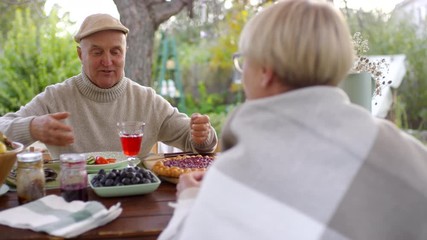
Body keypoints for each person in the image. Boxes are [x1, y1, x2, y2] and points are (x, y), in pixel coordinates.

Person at [159, 0, 427, 239]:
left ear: (265, 71)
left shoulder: (242, 169)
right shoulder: (406, 153)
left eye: (244, 62)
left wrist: (191, 200)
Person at [0, 14, 217, 159]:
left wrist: (203, 136)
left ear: (125, 53)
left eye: (115, 51)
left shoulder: (146, 100)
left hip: (137, 205)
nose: (107, 61)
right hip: (74, 201)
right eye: (97, 52)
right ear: (80, 54)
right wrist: (32, 127)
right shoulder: (56, 98)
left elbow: (196, 141)